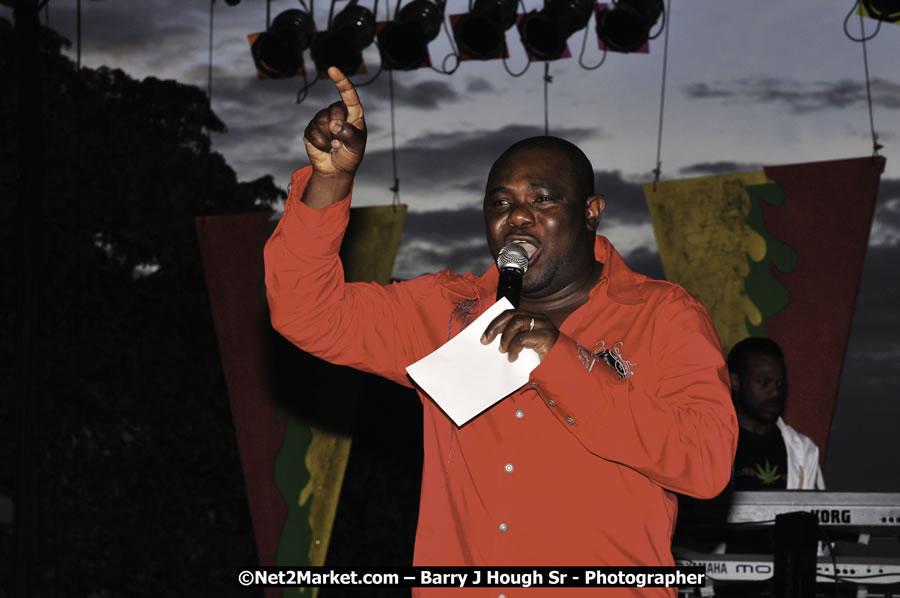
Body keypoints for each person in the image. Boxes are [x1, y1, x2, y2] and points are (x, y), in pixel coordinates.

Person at [264, 67, 738, 596]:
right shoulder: (447, 311)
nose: (516, 216)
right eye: (500, 202)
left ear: (591, 213)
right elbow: (307, 312)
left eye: (542, 199)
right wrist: (330, 183)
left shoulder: (661, 315)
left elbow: (707, 464)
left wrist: (564, 363)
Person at [728, 337, 824, 491]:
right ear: (735, 382)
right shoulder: (707, 445)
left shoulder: (803, 450)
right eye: (764, 382)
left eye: (780, 383)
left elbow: (815, 511)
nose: (775, 392)